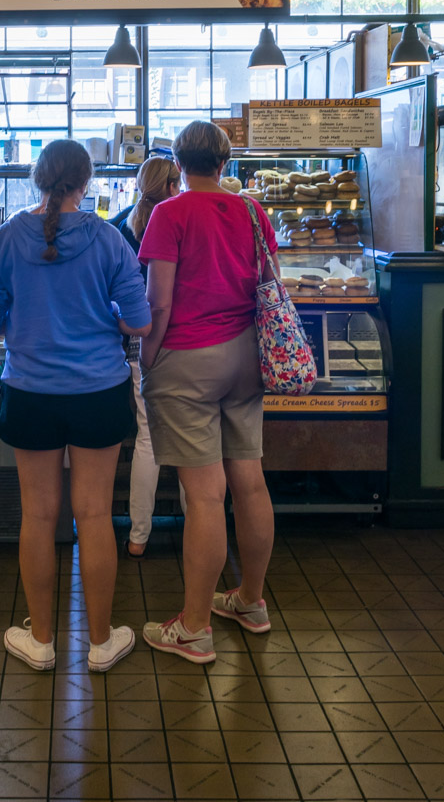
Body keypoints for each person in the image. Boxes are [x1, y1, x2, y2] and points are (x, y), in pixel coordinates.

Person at [0, 139, 151, 673]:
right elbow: (139, 321)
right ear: (85, 182)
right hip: (98, 390)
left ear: (37, 178)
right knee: (95, 514)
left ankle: (42, 640)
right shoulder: (109, 238)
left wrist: (29, 324)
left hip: (30, 391)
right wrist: (104, 316)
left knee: (38, 515)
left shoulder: (5, 238)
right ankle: (101, 642)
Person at [138, 120, 279, 664]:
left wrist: (149, 361)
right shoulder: (250, 210)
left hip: (188, 362)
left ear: (178, 163)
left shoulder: (169, 214)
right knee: (250, 480)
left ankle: (195, 627)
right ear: (226, 161)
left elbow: (159, 303)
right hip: (246, 357)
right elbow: (271, 282)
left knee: (203, 495)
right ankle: (250, 600)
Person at [109, 156, 184, 558]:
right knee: (195, 440)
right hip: (184, 339)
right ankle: (198, 533)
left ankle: (138, 537)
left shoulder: (120, 224)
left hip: (136, 343)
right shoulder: (179, 217)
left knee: (147, 439)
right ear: (173, 184)